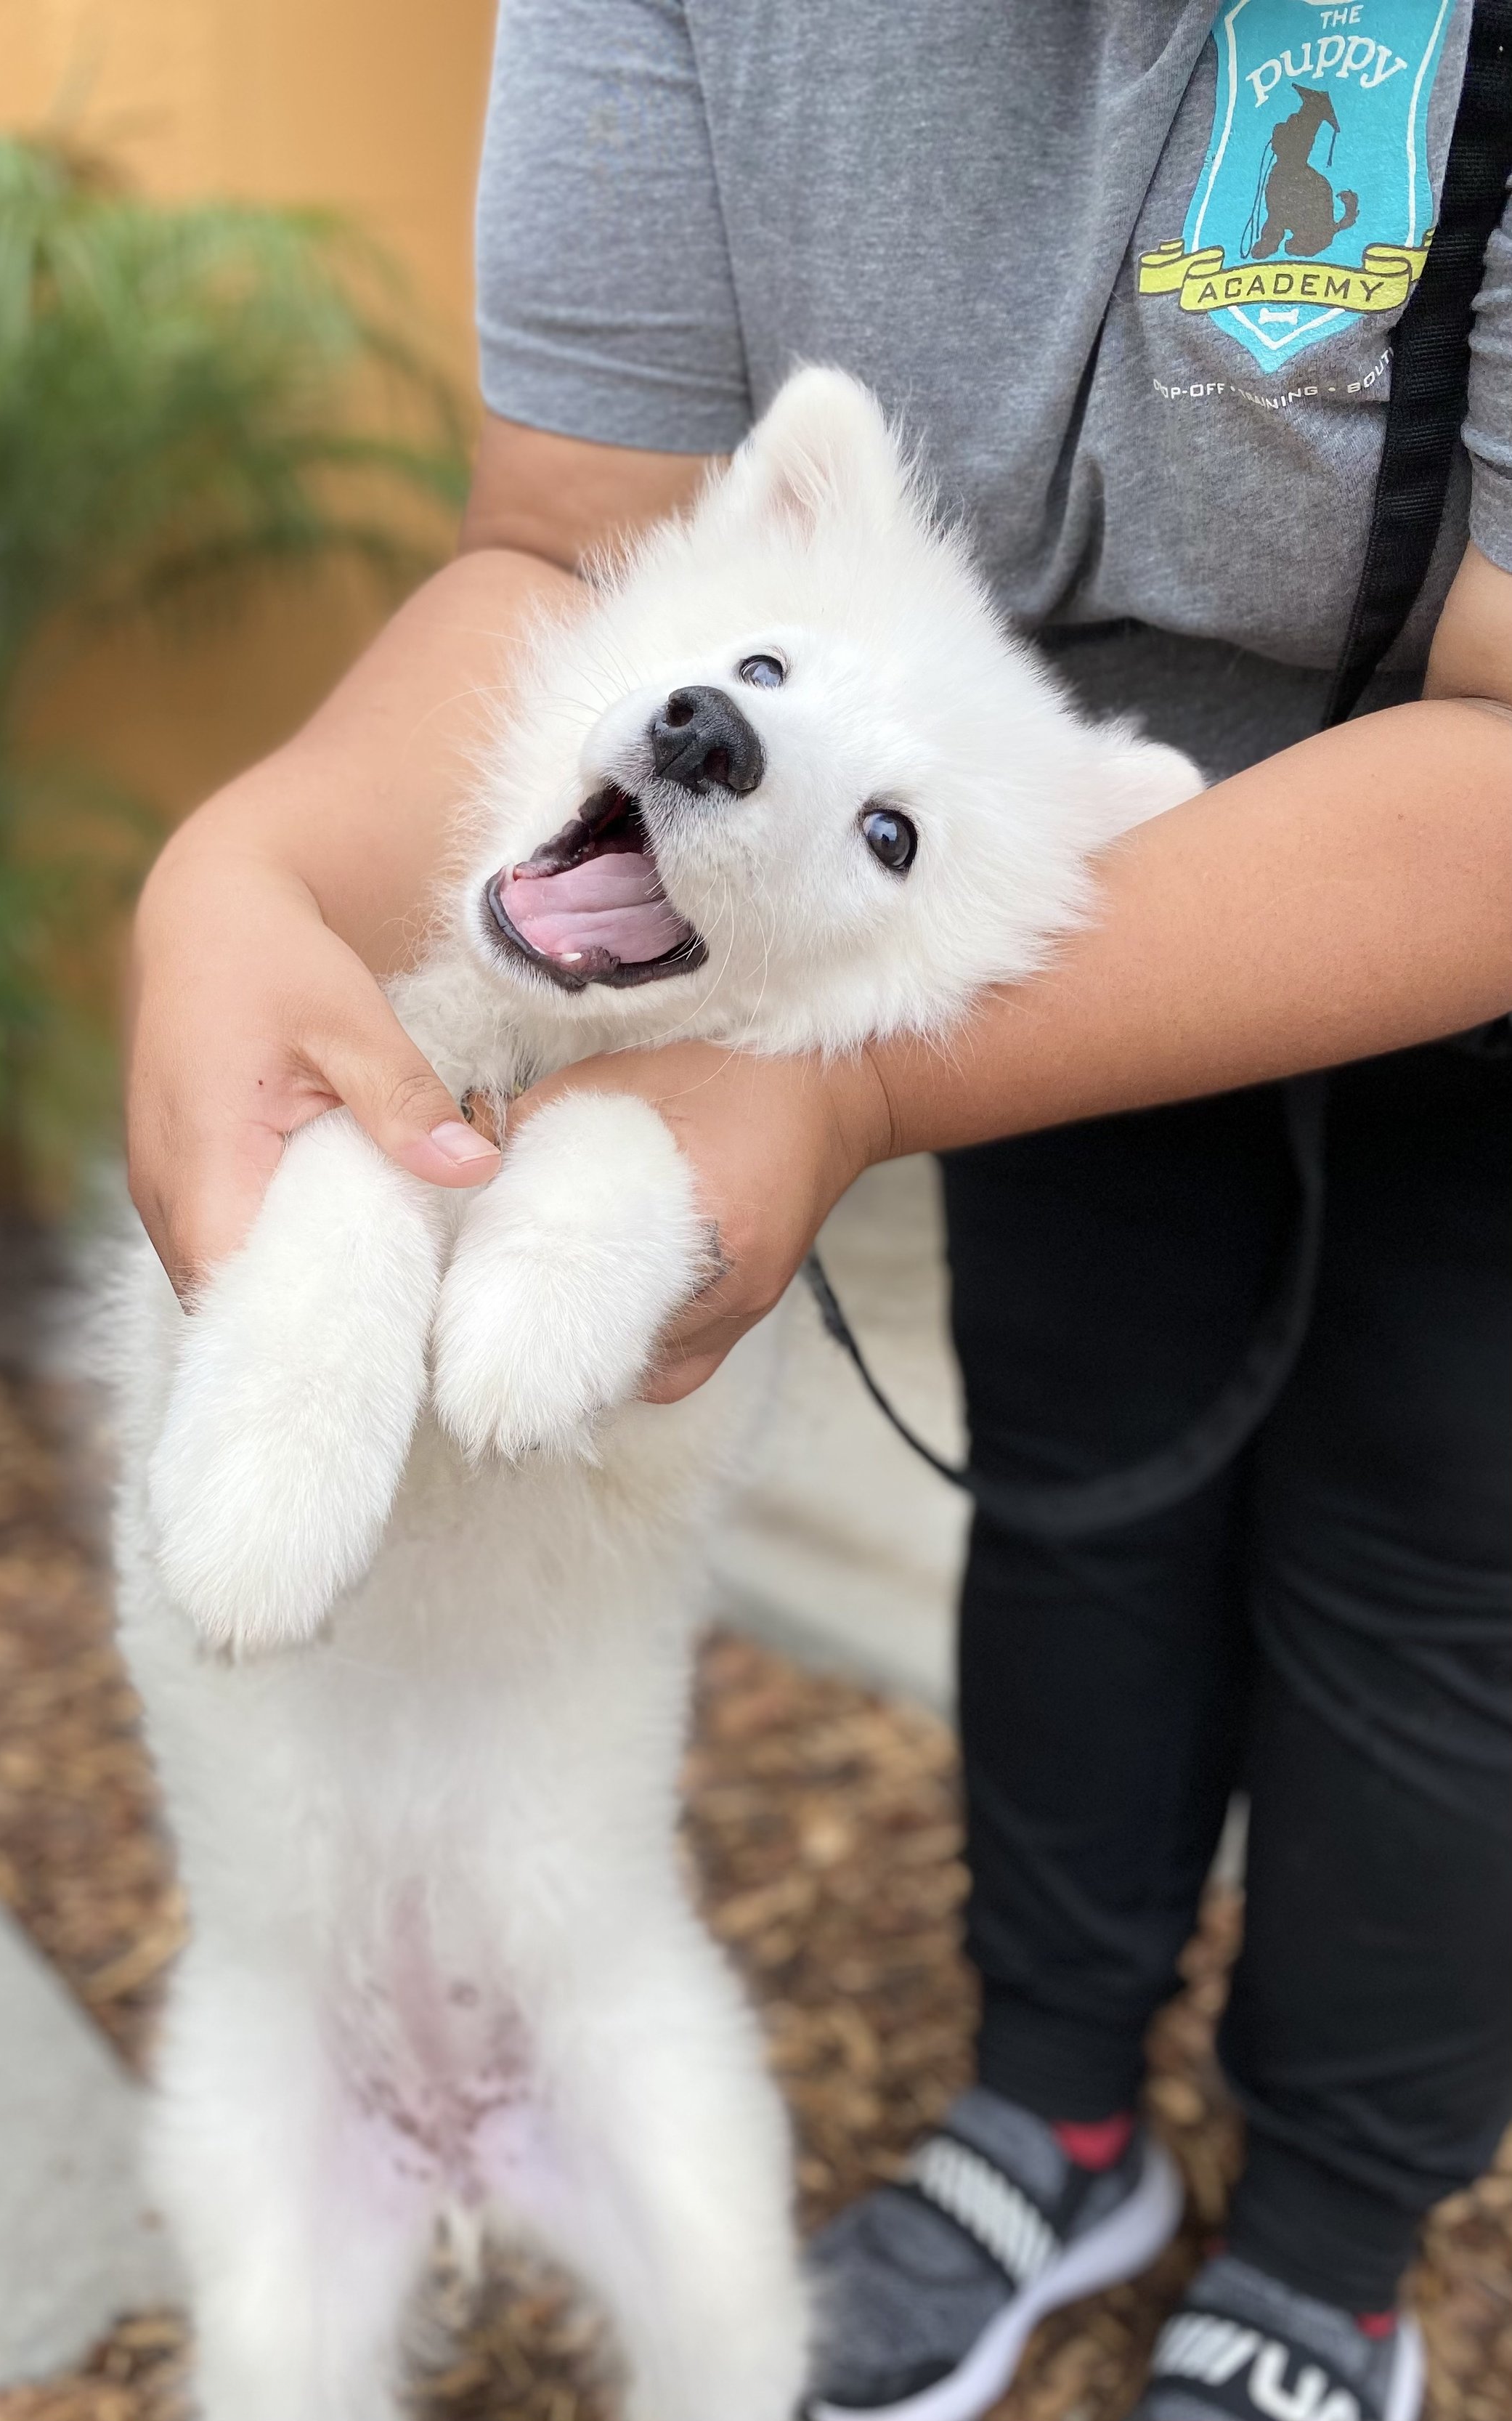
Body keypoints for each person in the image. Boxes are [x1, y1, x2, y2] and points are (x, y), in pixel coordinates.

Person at [126, 6, 1512, 2417]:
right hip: (1006, 843)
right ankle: (1050, 2111)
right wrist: (241, 862)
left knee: (1429, 1555)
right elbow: (574, 543)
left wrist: (852, 1084)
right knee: (1079, 1477)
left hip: (1313, 837)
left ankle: (1327, 2239)